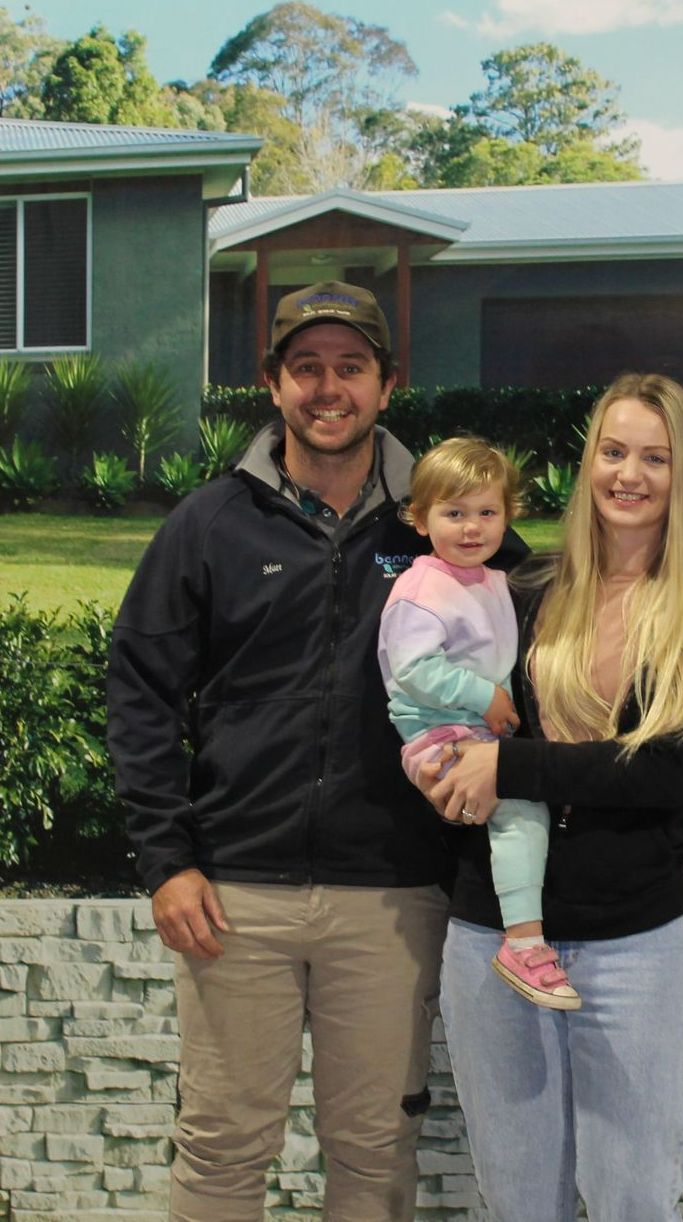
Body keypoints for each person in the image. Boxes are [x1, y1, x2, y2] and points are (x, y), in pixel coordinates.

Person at [107, 281, 524, 1222]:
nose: (326, 388)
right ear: (272, 384)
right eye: (305, 368)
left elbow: (535, 652)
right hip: (233, 895)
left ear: (388, 384)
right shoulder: (209, 524)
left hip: (390, 893)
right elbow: (138, 691)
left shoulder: (446, 527)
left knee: (375, 1154)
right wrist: (167, 862)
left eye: (350, 367)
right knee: (219, 1147)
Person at [423, 373, 683, 1221]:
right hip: (494, 937)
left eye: (655, 457)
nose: (629, 475)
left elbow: (665, 771)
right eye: (613, 452)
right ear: (589, 464)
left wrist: (509, 770)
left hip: (634, 942)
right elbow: (452, 709)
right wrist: (440, 766)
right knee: (519, 1199)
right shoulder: (525, 591)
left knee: (633, 1199)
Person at [378, 437, 580, 1010]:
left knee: (528, 808)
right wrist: (484, 697)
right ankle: (523, 942)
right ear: (420, 519)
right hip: (437, 736)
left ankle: (525, 930)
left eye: (486, 513)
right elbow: (414, 669)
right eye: (454, 513)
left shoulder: (492, 580)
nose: (472, 528)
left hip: (478, 731)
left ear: (508, 516)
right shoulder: (420, 589)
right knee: (520, 812)